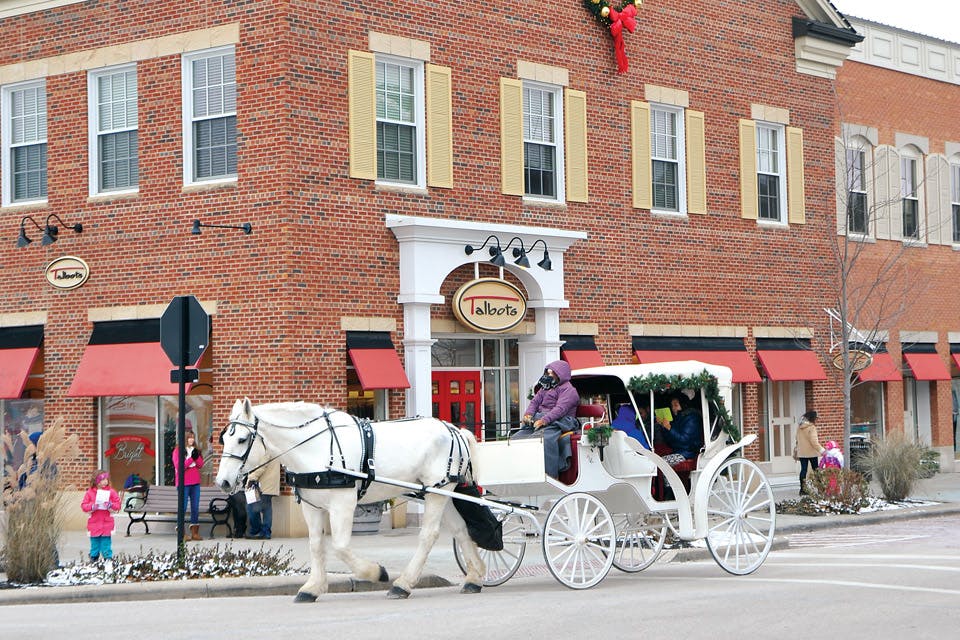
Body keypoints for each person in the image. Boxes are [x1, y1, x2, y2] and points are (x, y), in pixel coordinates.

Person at [513, 360, 580, 479]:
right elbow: (534, 402)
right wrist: (528, 414)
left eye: (551, 374)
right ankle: (520, 472)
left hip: (560, 421)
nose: (548, 376)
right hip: (539, 421)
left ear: (559, 374)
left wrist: (545, 420)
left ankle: (549, 476)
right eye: (547, 373)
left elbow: (560, 409)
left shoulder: (569, 391)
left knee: (542, 441)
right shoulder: (545, 389)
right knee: (516, 439)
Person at [80, 469, 121, 570]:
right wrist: (92, 506)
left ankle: (108, 560)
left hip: (106, 522)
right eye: (102, 480)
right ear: (96, 481)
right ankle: (94, 559)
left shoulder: (111, 492)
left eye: (106, 479)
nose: (105, 482)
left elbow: (118, 504)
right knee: (94, 544)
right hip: (94, 522)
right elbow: (84, 505)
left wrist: (111, 505)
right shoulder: (90, 493)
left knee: (106, 543)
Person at [172, 431, 205, 540]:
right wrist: (191, 459)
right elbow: (180, 466)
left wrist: (196, 456)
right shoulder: (178, 451)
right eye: (189, 438)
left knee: (195, 507)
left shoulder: (195, 450)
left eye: (193, 437)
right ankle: (181, 532)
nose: (191, 440)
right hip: (183, 483)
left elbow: (200, 465)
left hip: (195, 483)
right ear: (184, 438)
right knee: (183, 507)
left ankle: (195, 532)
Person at [655, 393, 704, 467]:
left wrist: (669, 428)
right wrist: (663, 426)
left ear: (683, 404)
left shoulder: (692, 418)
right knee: (656, 461)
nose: (673, 408)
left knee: (661, 463)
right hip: (678, 451)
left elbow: (684, 439)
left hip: (688, 453)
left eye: (676, 405)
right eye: (672, 406)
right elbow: (669, 440)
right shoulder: (678, 418)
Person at [245, 457, 280, 539]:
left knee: (252, 507)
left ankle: (256, 530)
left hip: (262, 484)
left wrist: (251, 477)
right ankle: (266, 532)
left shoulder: (266, 448)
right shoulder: (273, 447)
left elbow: (262, 465)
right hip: (269, 484)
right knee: (267, 509)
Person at [795, 410, 824, 495]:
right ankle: (821, 488)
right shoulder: (812, 428)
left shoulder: (799, 427)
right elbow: (814, 441)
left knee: (803, 470)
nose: (817, 420)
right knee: (816, 469)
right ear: (813, 418)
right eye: (816, 418)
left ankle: (802, 489)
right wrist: (822, 450)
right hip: (811, 452)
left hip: (802, 451)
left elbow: (796, 438)